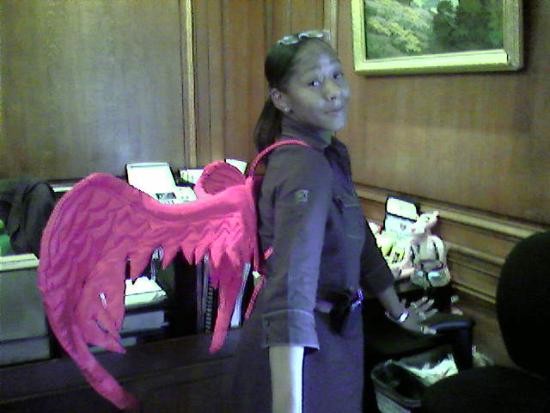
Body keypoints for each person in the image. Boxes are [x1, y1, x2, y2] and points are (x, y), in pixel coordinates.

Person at [228, 30, 436, 413]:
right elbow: (291, 287)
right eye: (314, 82)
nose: (334, 92)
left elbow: (361, 241)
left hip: (334, 335)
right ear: (281, 100)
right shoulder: (305, 167)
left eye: (337, 75)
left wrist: (399, 311)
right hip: (304, 353)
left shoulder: (328, 153)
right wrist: (288, 405)